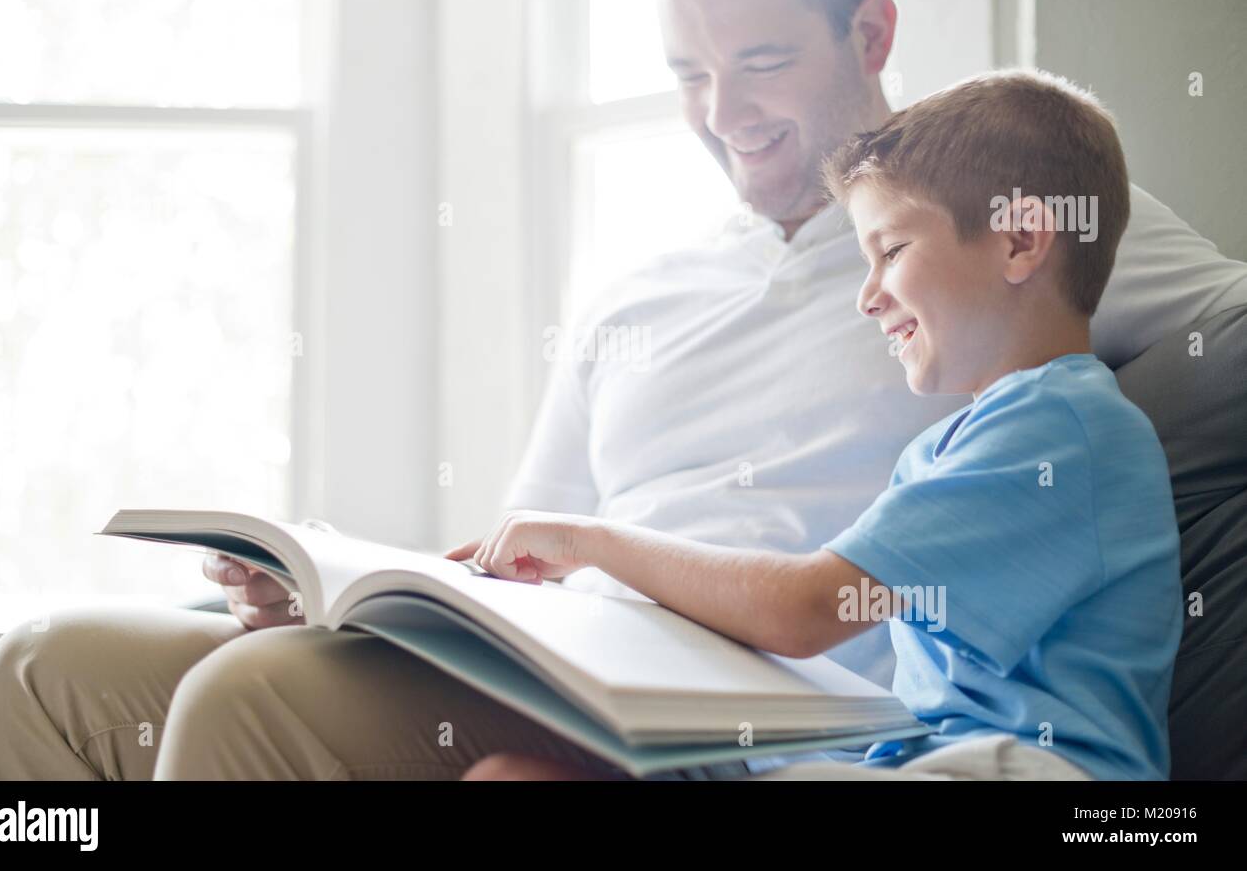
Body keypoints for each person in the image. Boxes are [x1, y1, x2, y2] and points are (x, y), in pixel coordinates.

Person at [0, 0, 1245, 781]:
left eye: (756, 62)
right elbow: (531, 541)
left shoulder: (982, 225)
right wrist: (345, 582)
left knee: (252, 703)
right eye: (685, 73)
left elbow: (1211, 340)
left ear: (869, 37)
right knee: (51, 664)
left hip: (753, 708)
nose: (721, 114)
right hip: (569, 652)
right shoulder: (644, 285)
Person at [456, 70, 1182, 781]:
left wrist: (590, 542)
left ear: (1021, 240)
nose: (868, 297)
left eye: (891, 251)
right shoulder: (952, 442)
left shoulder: (1059, 425)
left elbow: (803, 609)